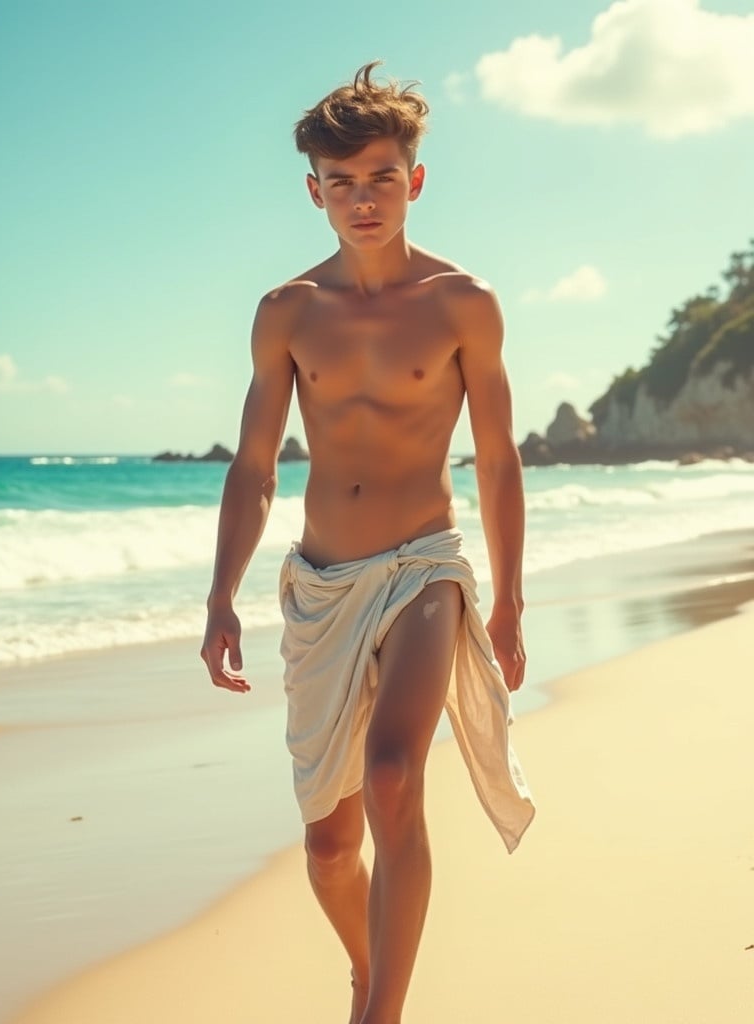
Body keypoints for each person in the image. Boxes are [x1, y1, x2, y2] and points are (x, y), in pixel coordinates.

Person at [201, 62, 534, 1024]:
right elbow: (255, 467)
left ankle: (381, 1015)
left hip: (426, 568)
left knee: (394, 774)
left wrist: (506, 597)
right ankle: (366, 972)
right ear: (314, 191)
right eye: (341, 183)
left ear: (414, 181)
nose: (362, 200)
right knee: (330, 847)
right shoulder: (287, 313)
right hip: (322, 585)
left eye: (381, 177)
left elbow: (500, 460)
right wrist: (222, 595)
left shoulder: (464, 302)